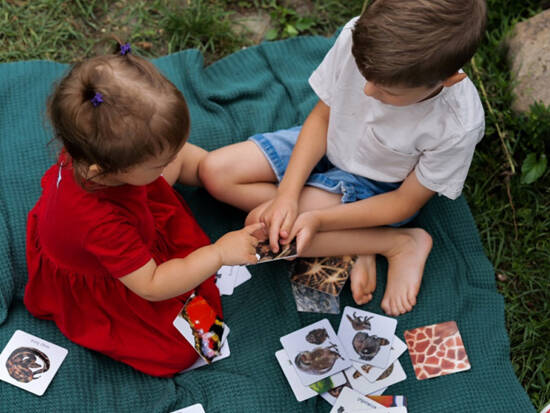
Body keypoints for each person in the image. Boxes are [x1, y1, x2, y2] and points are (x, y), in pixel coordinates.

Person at [199, 0, 487, 316]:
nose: (367, 91)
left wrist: (319, 219)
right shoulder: (358, 38)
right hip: (326, 143)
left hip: (377, 191)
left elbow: (404, 202)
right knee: (214, 172)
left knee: (263, 227)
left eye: (389, 93)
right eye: (364, 75)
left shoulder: (457, 123)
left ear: (447, 79)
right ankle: (357, 242)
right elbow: (322, 119)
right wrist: (287, 195)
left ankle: (399, 242)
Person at [24, 43, 262, 377]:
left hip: (122, 219)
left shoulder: (89, 140)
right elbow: (151, 284)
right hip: (118, 278)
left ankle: (206, 173)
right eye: (161, 162)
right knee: (181, 350)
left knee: (180, 168)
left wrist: (210, 171)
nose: (175, 158)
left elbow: (165, 156)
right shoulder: (101, 223)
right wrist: (219, 254)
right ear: (102, 168)